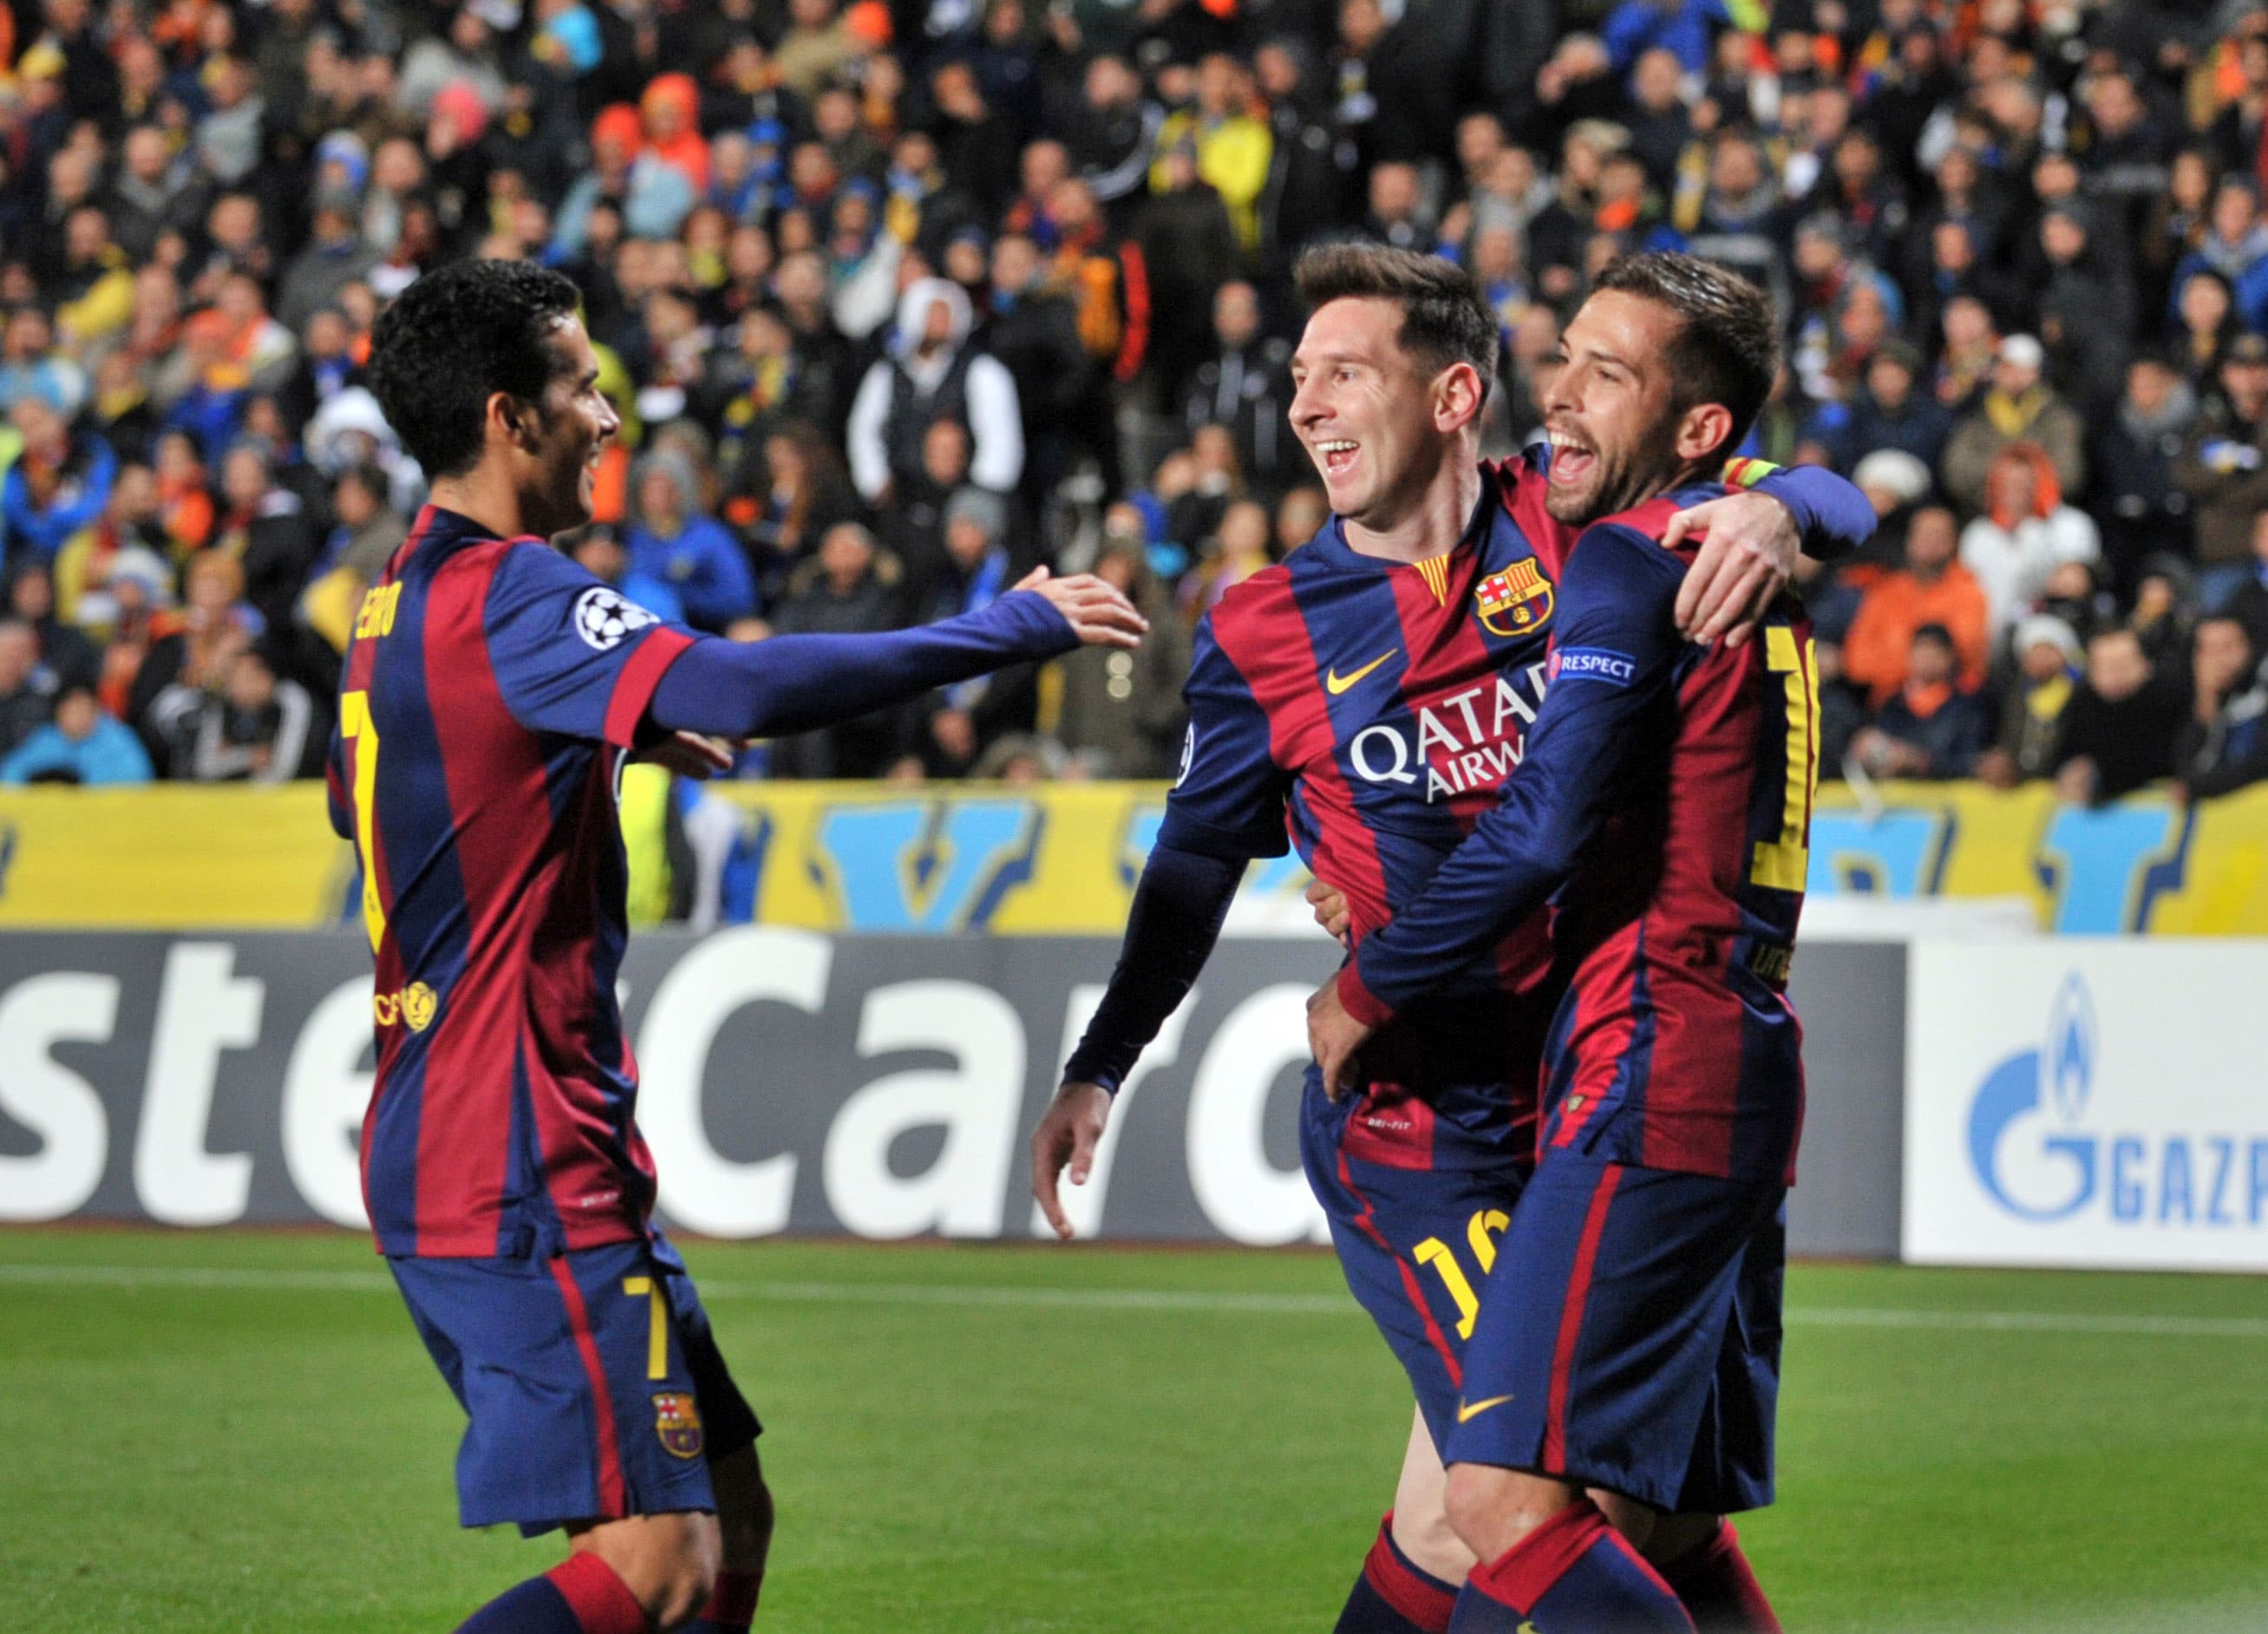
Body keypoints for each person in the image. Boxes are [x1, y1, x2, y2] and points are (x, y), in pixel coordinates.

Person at [1028, 244, 1870, 1634]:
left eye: (1343, 372)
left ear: (1452, 395)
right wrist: (1103, 1062)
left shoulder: (1570, 514)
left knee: (1517, 1513)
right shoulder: (1262, 624)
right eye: (1299, 378)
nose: (1306, 405)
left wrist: (1786, 514)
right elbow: (1187, 872)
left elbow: (1799, 482)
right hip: (1429, 1115)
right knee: (1515, 1504)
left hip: (1584, 1067)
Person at [341, 259, 1144, 1634]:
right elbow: (741, 681)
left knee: (730, 1504)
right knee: (658, 1561)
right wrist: (1001, 628)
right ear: (506, 418)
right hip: (512, 1138)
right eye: (583, 386)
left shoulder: (396, 600)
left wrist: (619, 726)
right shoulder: (518, 596)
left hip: (486, 1124)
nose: (609, 417)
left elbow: (419, 777)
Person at [1304, 252, 1827, 1632]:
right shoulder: (1740, 540)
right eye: (1567, 357)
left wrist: (1367, 983)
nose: (1564, 398)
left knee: (1497, 1505)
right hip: (1727, 1052)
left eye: (1610, 372)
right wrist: (1797, 503)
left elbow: (1540, 827)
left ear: (1698, 428)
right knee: (1651, 1523)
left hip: (1648, 1057)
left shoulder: (1629, 555)